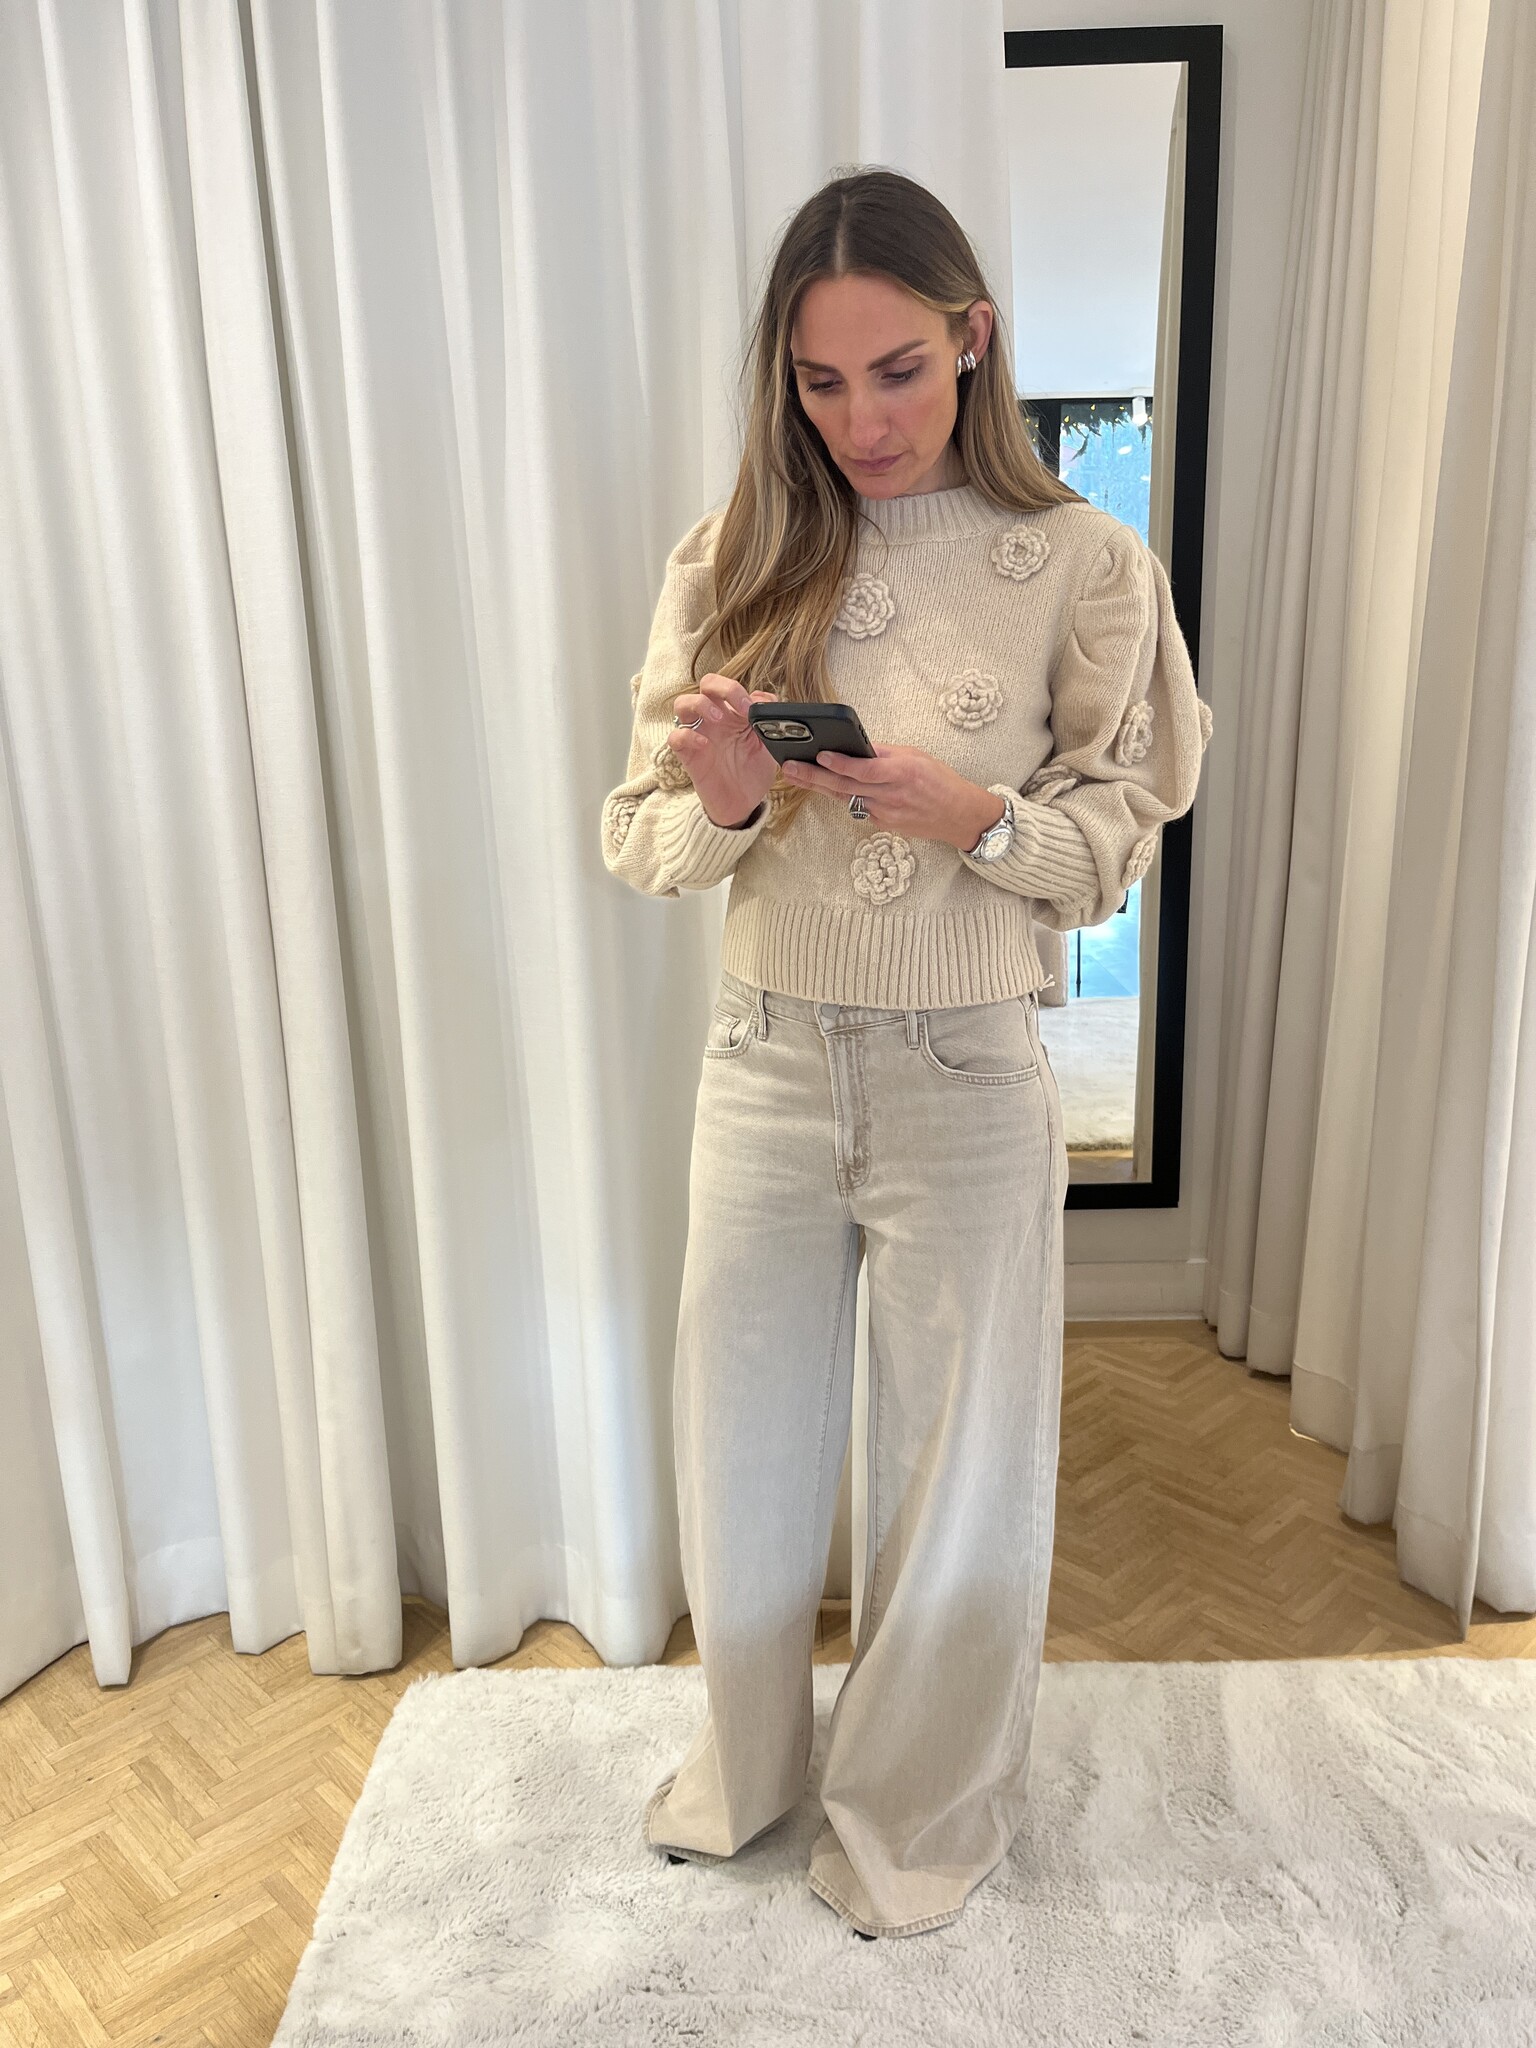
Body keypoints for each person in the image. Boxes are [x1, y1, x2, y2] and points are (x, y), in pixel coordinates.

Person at [599, 167, 1212, 1941]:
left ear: (974, 343)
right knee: (742, 1447)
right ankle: (748, 1768)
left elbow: (1116, 840)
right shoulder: (732, 557)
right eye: (819, 381)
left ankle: (915, 1816)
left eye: (897, 370)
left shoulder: (1086, 566)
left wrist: (974, 817)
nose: (861, 419)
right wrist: (729, 801)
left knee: (958, 1473)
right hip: (766, 1058)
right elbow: (640, 836)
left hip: (965, 1073)